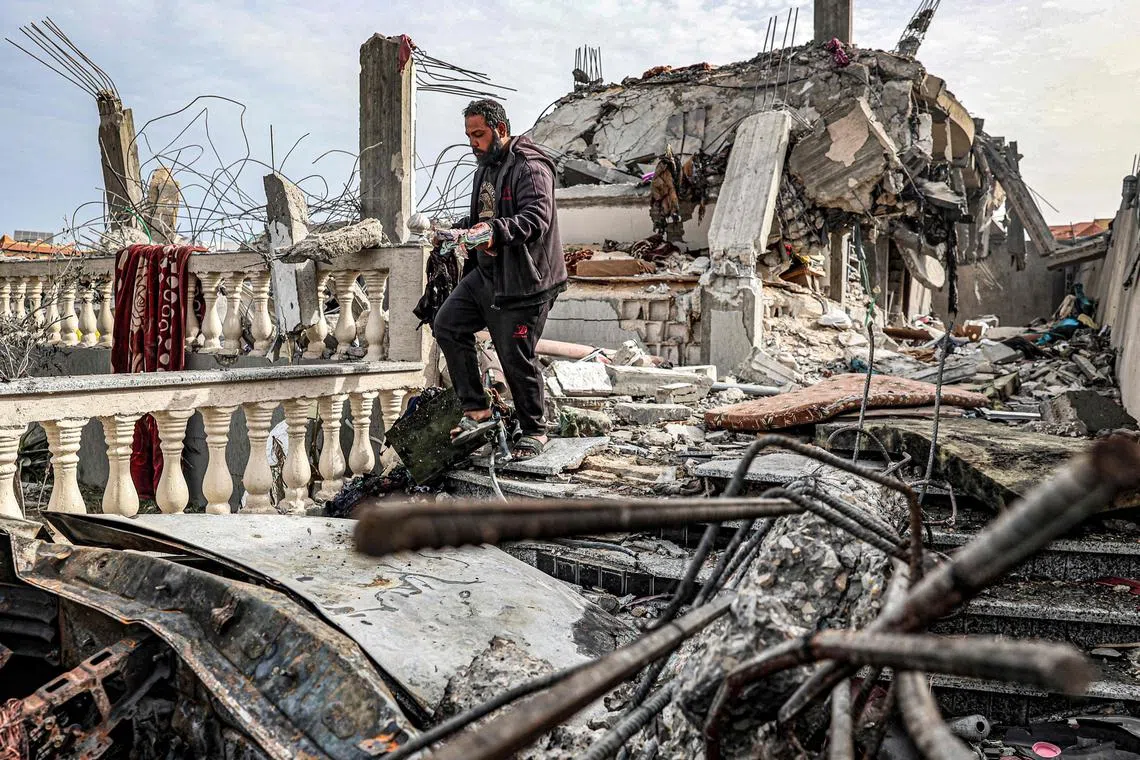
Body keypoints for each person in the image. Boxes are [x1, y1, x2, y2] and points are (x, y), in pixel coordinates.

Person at [432, 99, 567, 460]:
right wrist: (454, 232)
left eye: (478, 134)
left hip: (525, 281)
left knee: (514, 355)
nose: (472, 143)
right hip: (488, 275)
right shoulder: (485, 168)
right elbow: (484, 217)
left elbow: (535, 219)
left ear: (501, 130)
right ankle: (477, 409)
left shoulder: (530, 166)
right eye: (469, 136)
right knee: (447, 324)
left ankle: (535, 430)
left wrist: (492, 231)